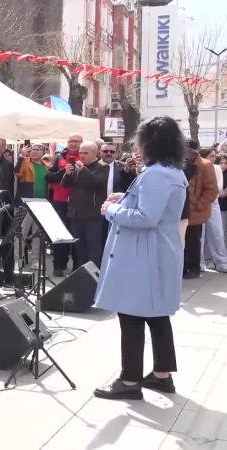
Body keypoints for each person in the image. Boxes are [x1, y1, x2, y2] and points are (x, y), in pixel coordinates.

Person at [92, 117, 187, 401]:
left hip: (142, 257)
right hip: (157, 252)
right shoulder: (172, 170)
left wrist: (111, 211)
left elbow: (146, 217)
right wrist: (127, 197)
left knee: (131, 316)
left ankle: (130, 380)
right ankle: (162, 375)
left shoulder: (156, 174)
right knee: (157, 316)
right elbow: (154, 206)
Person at [61, 141, 108, 268]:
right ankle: (82, 276)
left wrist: (83, 170)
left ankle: (94, 278)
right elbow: (65, 184)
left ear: (95, 154)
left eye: (85, 153)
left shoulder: (102, 167)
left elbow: (96, 182)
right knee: (80, 248)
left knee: (93, 248)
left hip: (92, 214)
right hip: (76, 213)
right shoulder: (77, 167)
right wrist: (68, 173)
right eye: (80, 153)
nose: (82, 155)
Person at [45, 134, 83, 277]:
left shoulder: (85, 156)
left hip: (78, 202)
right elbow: (48, 176)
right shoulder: (59, 157)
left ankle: (77, 267)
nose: (73, 144)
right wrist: (64, 170)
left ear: (81, 143)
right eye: (70, 141)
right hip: (59, 201)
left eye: (76, 141)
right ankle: (59, 265)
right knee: (60, 234)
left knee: (76, 235)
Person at [182, 141, 218, 279]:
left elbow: (212, 190)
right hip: (182, 209)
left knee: (193, 241)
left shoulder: (205, 165)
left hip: (195, 211)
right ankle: (184, 268)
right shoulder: (180, 163)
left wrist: (199, 205)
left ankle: (194, 268)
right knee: (182, 241)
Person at [198, 148, 227, 272]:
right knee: (200, 235)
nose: (213, 159)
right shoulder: (197, 167)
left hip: (212, 202)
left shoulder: (216, 169)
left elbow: (218, 187)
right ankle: (200, 263)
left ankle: (221, 262)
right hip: (199, 203)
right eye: (211, 156)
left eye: (214, 156)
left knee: (217, 233)